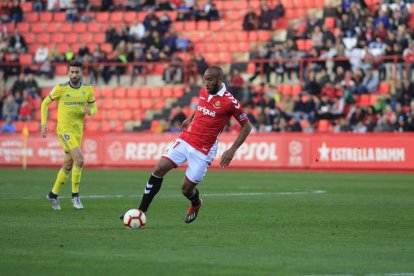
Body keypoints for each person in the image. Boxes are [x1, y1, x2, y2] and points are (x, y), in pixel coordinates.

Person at [127, 66, 252, 224]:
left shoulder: (230, 102)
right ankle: (141, 211)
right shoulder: (204, 91)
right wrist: (190, 118)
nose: (206, 83)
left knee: (186, 189)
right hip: (186, 139)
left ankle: (196, 202)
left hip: (203, 150)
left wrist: (232, 150)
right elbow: (200, 106)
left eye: (210, 80)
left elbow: (247, 127)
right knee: (159, 169)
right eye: (205, 79)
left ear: (220, 80)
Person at [40, 60, 98, 210]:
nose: (74, 75)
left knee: (68, 164)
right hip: (64, 131)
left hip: (78, 131)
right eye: (71, 72)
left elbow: (94, 107)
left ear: (82, 73)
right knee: (80, 160)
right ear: (68, 73)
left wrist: (90, 111)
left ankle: (53, 195)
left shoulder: (88, 89)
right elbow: (45, 103)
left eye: (77, 72)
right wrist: (43, 123)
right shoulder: (61, 88)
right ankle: (75, 196)